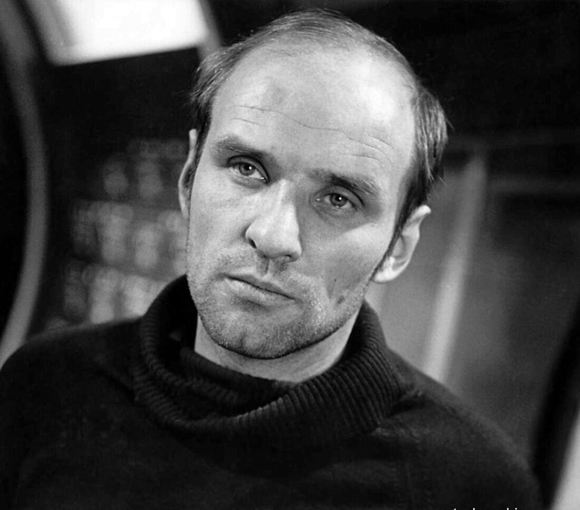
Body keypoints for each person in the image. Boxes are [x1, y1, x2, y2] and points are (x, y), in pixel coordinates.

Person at [0, 9, 541, 509]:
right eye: (246, 168)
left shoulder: (470, 483)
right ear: (188, 179)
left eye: (338, 199)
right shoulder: (45, 386)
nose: (273, 235)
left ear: (398, 245)